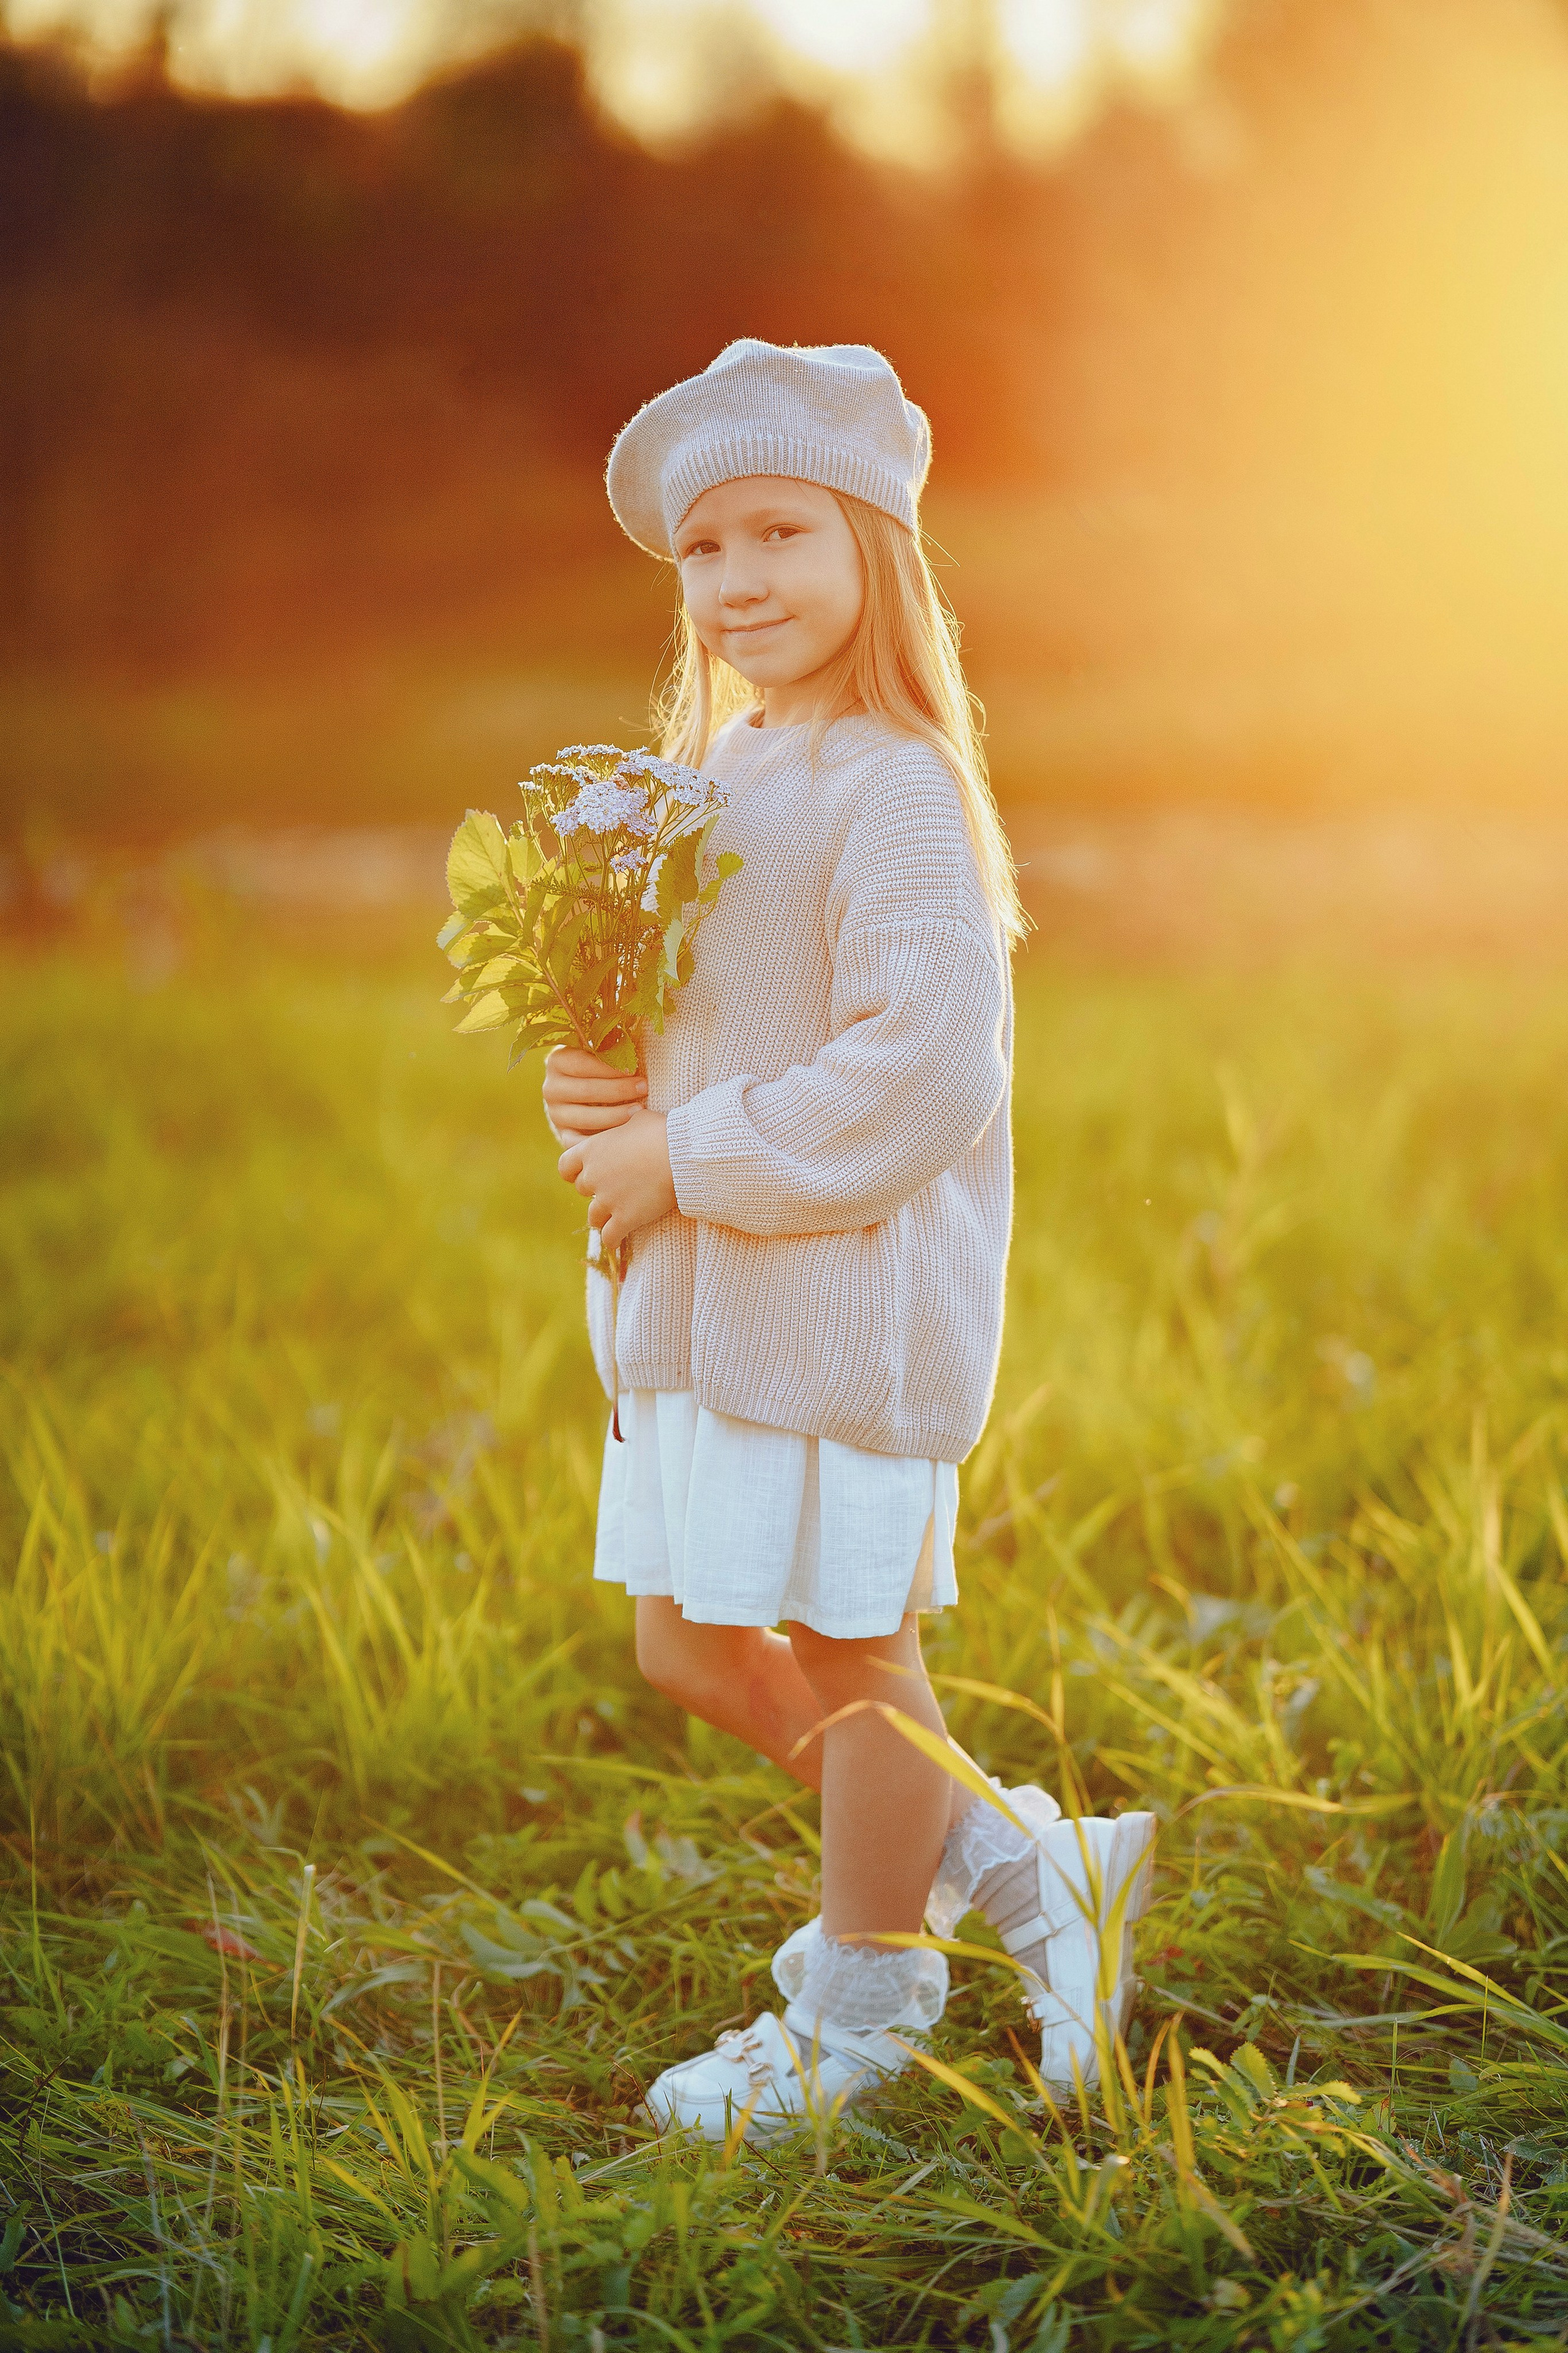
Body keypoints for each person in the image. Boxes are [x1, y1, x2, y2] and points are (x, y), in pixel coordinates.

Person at [542, 339, 1153, 2140]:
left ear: (873, 545)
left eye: (781, 533)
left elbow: (925, 1066)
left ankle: (867, 1994)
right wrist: (606, 1091)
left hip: (835, 1304)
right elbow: (684, 1030)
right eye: (707, 550)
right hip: (701, 1297)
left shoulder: (892, 783)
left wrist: (688, 1151)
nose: (740, 581)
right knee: (687, 1641)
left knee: (855, 1649)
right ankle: (1036, 1876)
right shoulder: (711, 774)